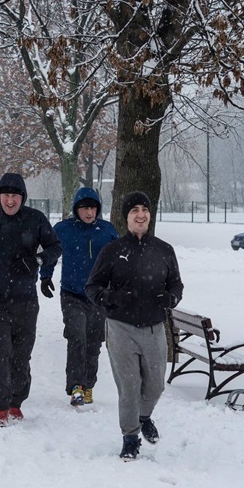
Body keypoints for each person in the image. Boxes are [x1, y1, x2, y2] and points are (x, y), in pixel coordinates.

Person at [85, 191, 183, 461]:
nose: (141, 215)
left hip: (153, 327)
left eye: (145, 209)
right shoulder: (113, 251)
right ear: (126, 217)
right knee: (129, 386)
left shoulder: (164, 250)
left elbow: (176, 284)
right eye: (134, 210)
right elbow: (92, 287)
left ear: (150, 214)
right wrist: (112, 298)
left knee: (155, 386)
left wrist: (170, 297)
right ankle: (130, 437)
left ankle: (144, 416)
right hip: (121, 327)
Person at [0, 172, 62, 427]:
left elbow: (55, 248)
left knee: (21, 354)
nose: (10, 200)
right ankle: (0, 407)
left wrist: (36, 260)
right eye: (5, 195)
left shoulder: (35, 219)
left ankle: (16, 402)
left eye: (15, 195)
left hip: (26, 299)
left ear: (22, 197)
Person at [39, 187, 118, 407]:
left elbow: (119, 260)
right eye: (84, 208)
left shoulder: (107, 231)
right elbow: (51, 253)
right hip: (72, 294)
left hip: (99, 295)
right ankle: (75, 387)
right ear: (76, 209)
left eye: (92, 207)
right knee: (76, 337)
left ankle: (88, 385)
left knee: (93, 342)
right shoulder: (64, 229)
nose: (89, 212)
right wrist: (45, 277)